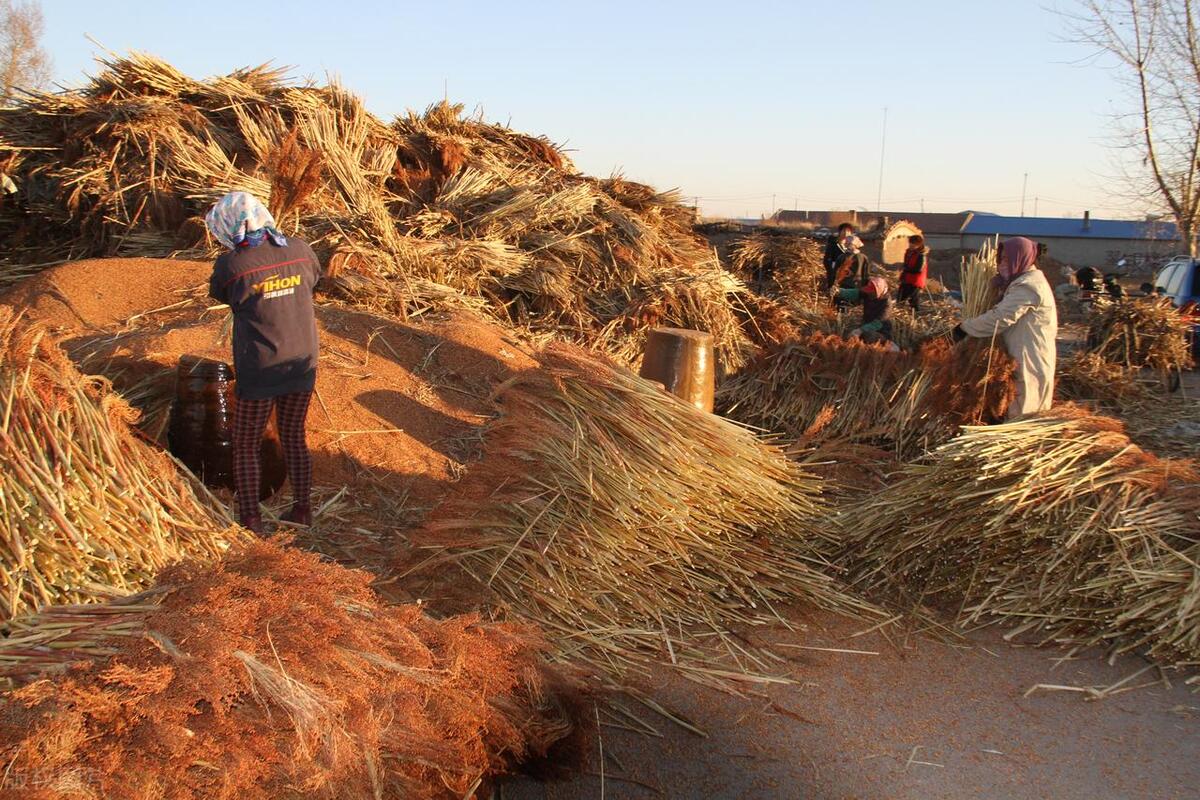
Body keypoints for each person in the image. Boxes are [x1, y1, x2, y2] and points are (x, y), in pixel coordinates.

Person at [206, 191, 322, 534]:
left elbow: (221, 294)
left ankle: (251, 519)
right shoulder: (300, 249)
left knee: (245, 445)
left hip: (260, 368)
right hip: (302, 361)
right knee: (294, 436)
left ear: (228, 225)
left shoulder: (231, 266)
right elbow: (316, 281)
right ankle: (303, 510)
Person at [953, 236, 1057, 420]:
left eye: (1007, 260)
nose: (1002, 264)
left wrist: (964, 328)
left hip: (1029, 358)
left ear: (1021, 258)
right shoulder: (1018, 283)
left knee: (1024, 414)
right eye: (1000, 260)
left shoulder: (1029, 287)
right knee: (1014, 406)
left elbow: (1001, 318)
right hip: (1018, 355)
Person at [835, 276, 895, 346]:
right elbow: (855, 293)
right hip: (866, 326)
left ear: (878, 293)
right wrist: (839, 291)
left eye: (871, 293)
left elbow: (877, 323)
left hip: (880, 332)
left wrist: (860, 330)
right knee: (848, 336)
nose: (868, 294)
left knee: (868, 336)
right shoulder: (869, 293)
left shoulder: (886, 305)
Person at [823, 222, 861, 290]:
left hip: (848, 277)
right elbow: (827, 260)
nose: (846, 233)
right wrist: (832, 272)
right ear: (840, 232)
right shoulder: (833, 245)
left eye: (848, 231)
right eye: (844, 230)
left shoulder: (851, 247)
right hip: (835, 274)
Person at [898, 234, 928, 311]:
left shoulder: (921, 256)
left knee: (912, 299)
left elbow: (918, 269)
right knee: (900, 298)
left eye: (913, 243)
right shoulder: (909, 253)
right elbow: (906, 264)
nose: (910, 245)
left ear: (918, 245)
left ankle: (916, 315)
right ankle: (901, 312)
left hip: (915, 281)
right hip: (906, 279)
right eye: (910, 243)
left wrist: (906, 269)